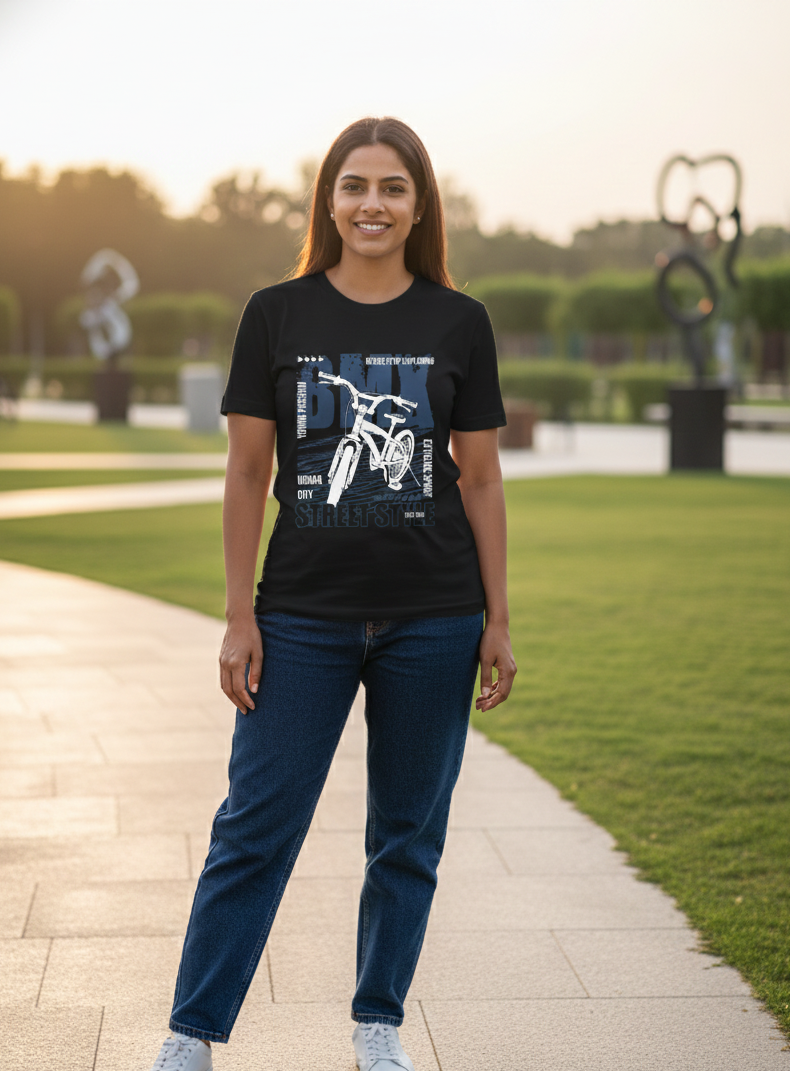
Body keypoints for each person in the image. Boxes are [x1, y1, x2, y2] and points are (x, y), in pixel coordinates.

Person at [150, 116, 517, 1071]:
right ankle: (191, 1036)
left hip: (435, 618)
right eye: (355, 186)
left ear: (418, 205)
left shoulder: (457, 321)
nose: (372, 204)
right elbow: (243, 473)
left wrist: (498, 621)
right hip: (301, 616)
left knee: (406, 833)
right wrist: (238, 615)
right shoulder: (276, 313)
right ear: (328, 199)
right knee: (253, 828)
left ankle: (377, 1024)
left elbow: (479, 478)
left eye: (392, 188)